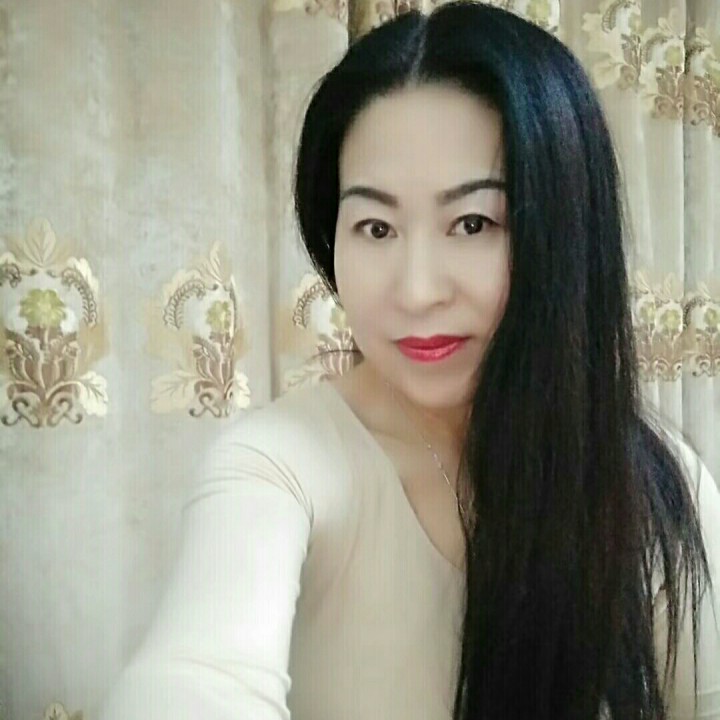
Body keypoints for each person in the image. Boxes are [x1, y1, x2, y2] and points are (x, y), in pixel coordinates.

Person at [99, 2, 720, 719]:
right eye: (376, 227)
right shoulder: (279, 468)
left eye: (473, 223)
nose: (417, 291)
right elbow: (198, 676)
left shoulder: (653, 484)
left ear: (565, 233)